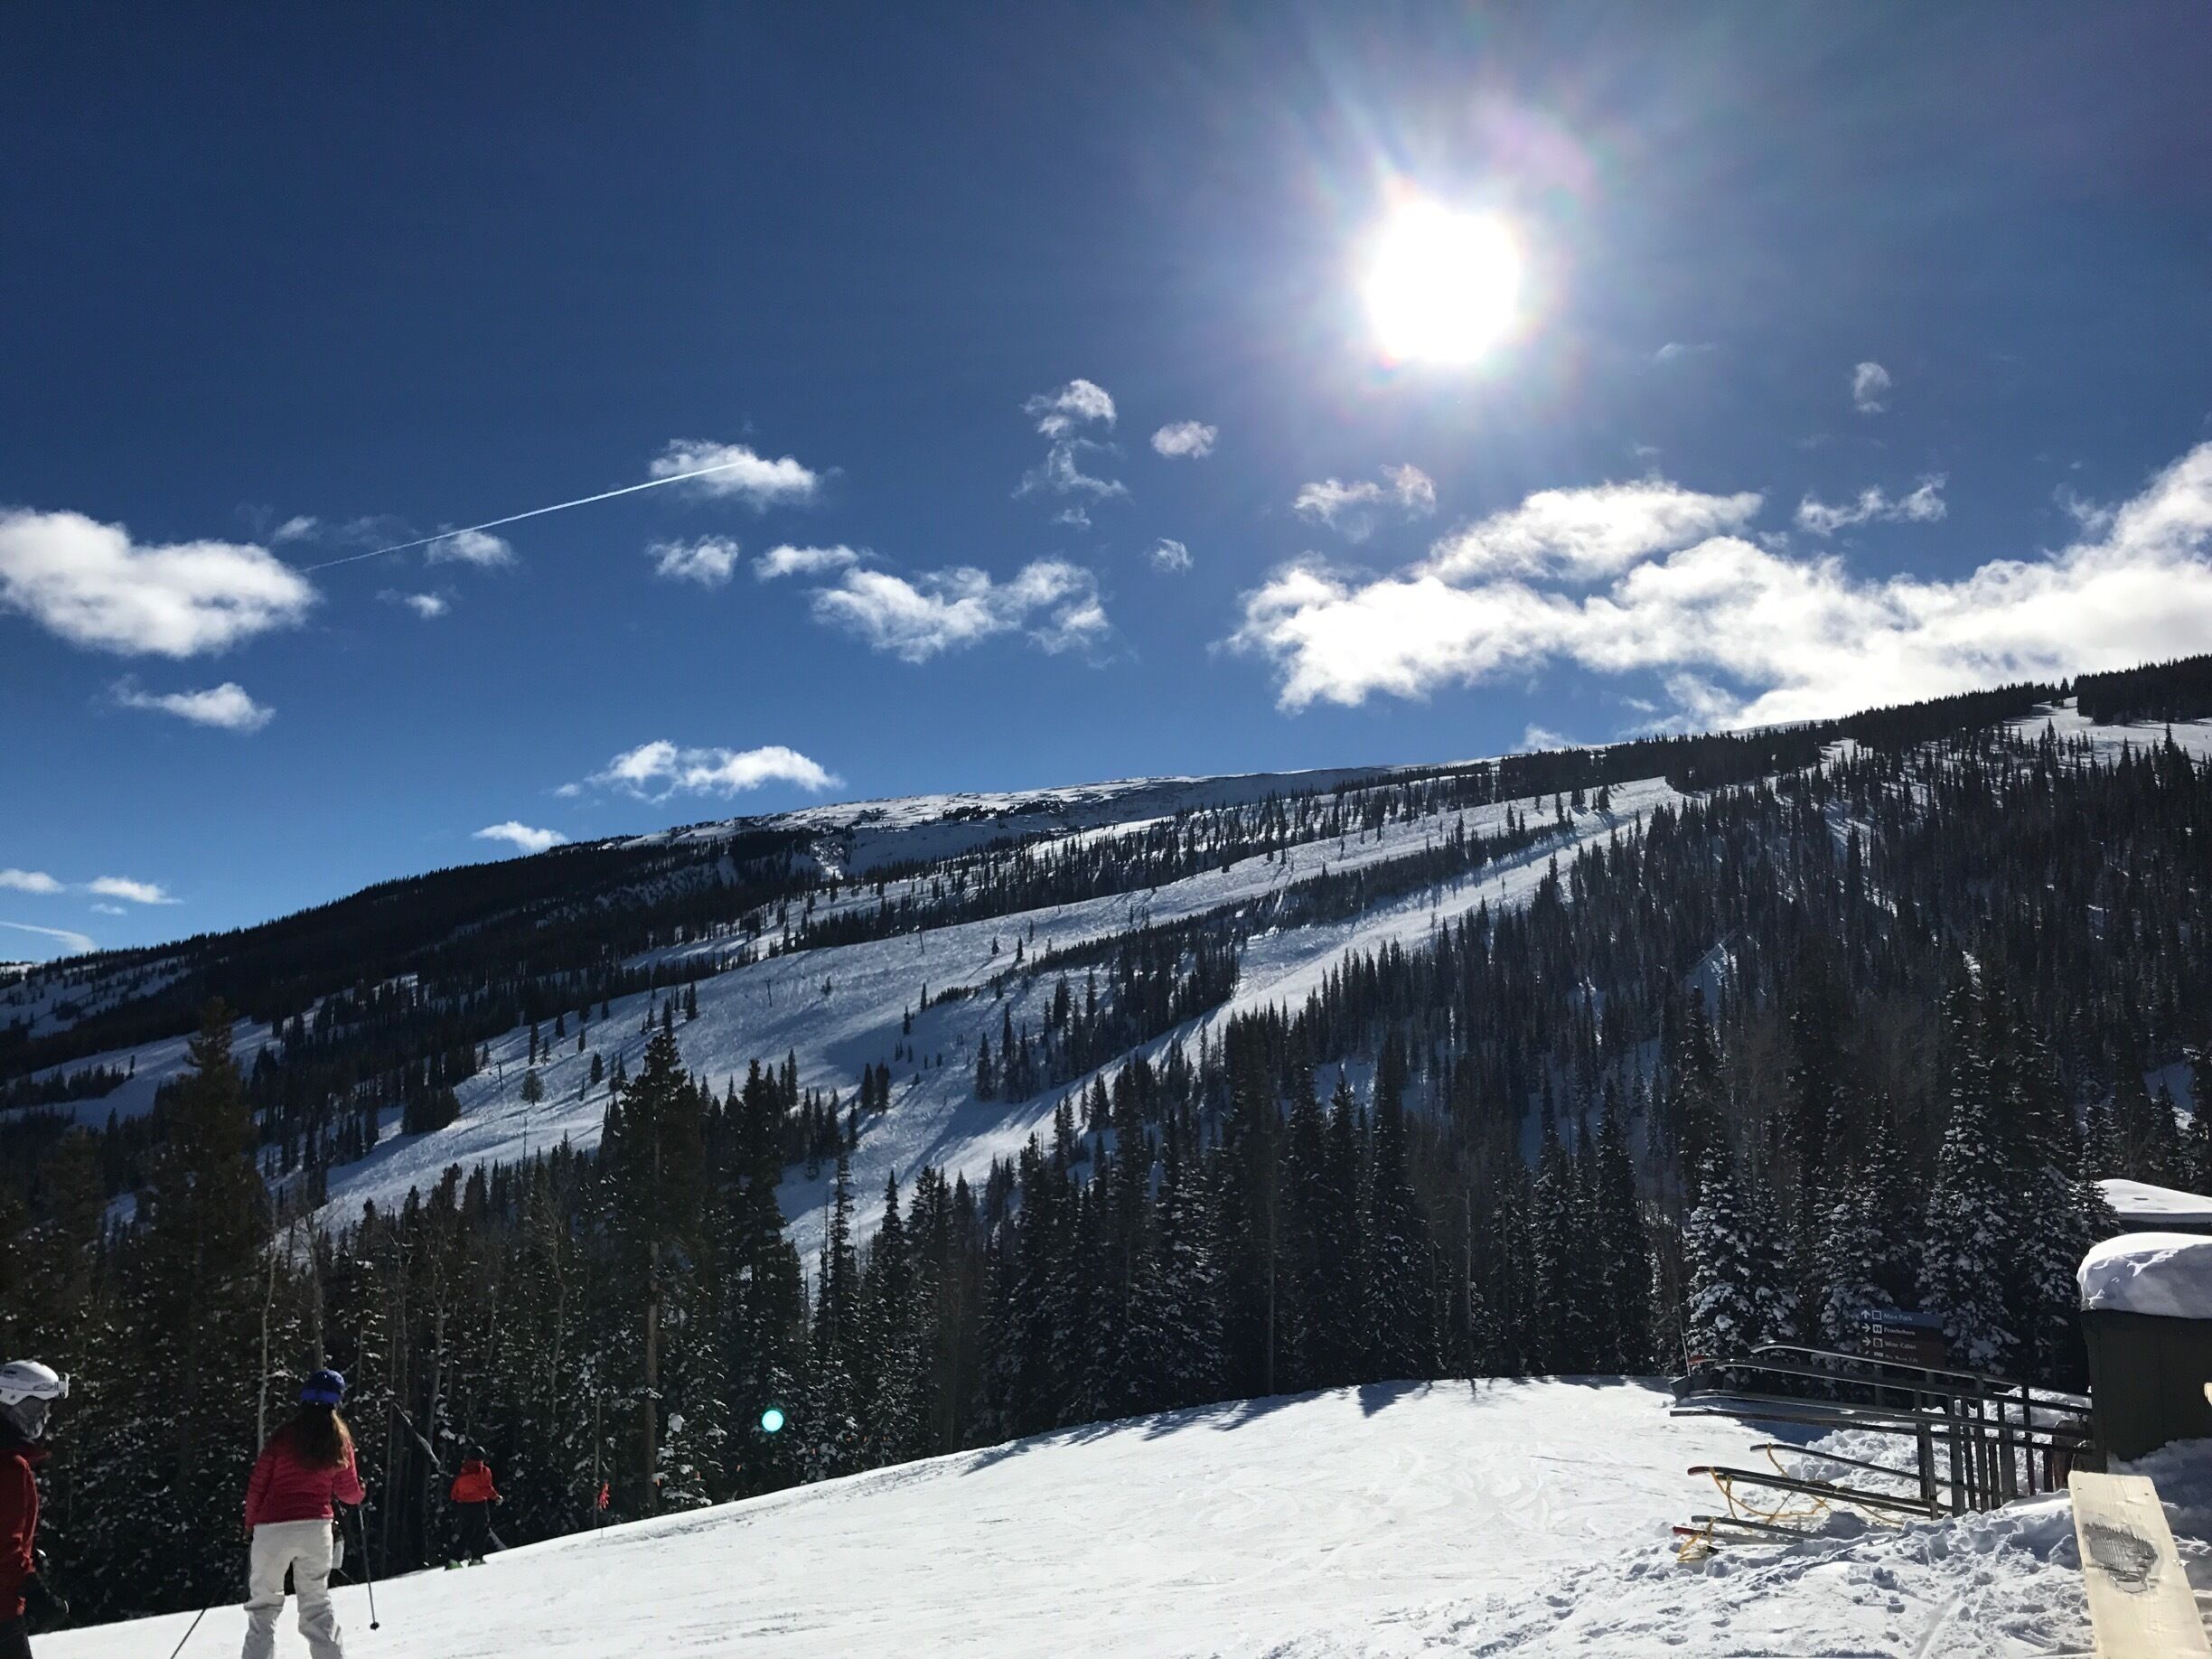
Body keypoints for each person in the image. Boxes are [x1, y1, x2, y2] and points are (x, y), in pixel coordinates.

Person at [242, 1370, 363, 1659]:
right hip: (316, 1528)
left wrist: (249, 1526)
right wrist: (361, 1492)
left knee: (263, 1608)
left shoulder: (283, 1437)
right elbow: (349, 1493)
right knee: (317, 1606)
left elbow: (258, 1484)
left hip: (272, 1528)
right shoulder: (339, 1439)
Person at [0, 1362, 68, 1659]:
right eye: (34, 1408)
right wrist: (34, 1589)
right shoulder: (10, 1467)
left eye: (46, 1410)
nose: (42, 1419)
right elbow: (4, 1546)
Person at [445, 1454, 501, 1567]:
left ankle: (454, 1559)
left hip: (464, 1505)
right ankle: (477, 1558)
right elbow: (486, 1488)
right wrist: (496, 1497)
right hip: (479, 1504)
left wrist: (455, 1501)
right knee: (482, 1530)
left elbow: (456, 1489)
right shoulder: (484, 1471)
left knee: (467, 1531)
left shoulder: (464, 1471)